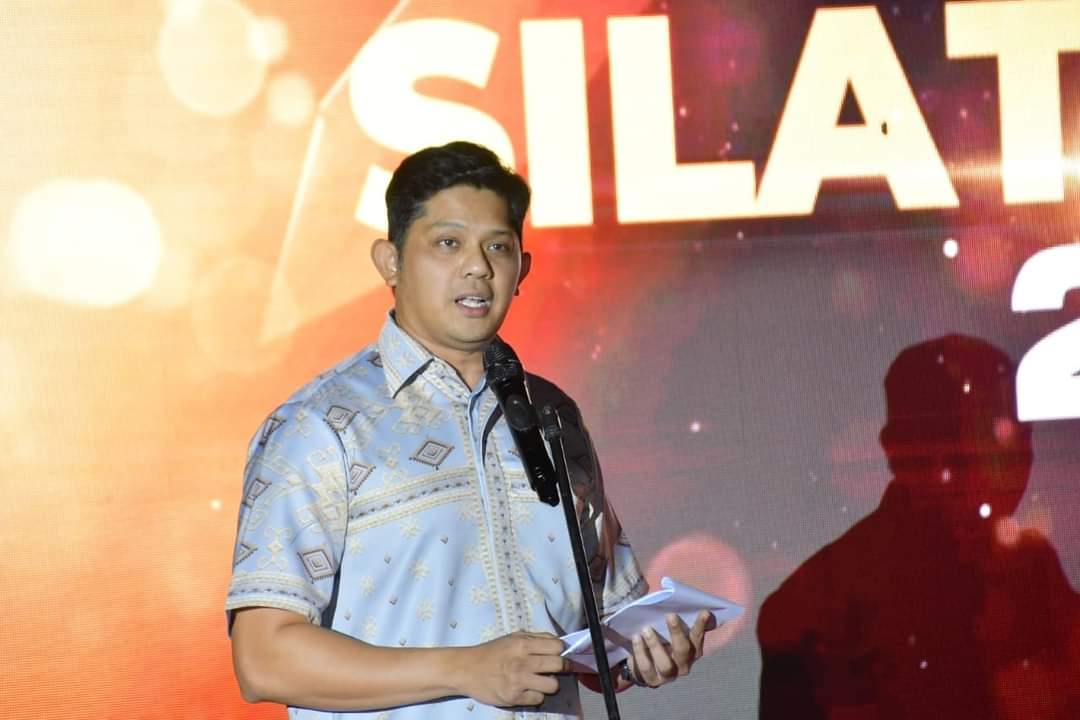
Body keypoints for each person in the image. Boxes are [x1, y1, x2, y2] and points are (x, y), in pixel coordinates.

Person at [226, 141, 712, 719]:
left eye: (497, 247)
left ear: (522, 270)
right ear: (390, 261)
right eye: (448, 243)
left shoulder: (553, 416)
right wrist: (464, 669)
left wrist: (640, 654)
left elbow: (598, 625)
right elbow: (263, 659)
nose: (478, 266)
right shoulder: (319, 427)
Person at [757, 334, 1080, 719]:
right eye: (975, 440)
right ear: (897, 450)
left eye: (1014, 439)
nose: (1008, 466)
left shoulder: (1034, 570)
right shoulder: (814, 613)